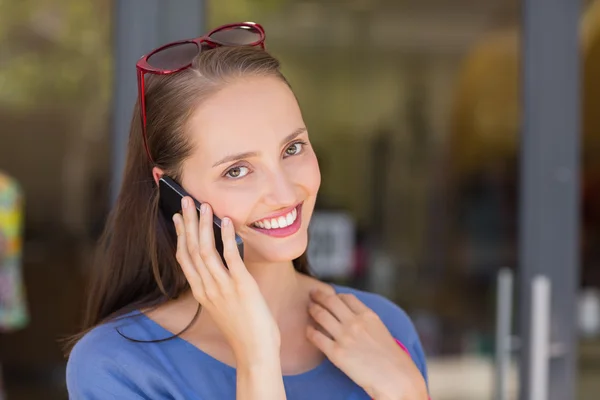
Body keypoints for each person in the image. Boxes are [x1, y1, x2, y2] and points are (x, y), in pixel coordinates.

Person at [65, 22, 429, 400]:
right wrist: (257, 358)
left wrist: (407, 392)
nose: (285, 192)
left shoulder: (381, 329)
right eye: (236, 170)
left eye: (292, 149)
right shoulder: (118, 366)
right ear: (173, 191)